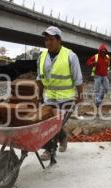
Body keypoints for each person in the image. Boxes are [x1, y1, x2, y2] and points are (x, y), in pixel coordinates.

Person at [36, 26, 83, 161]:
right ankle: (63, 137)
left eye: (51, 39)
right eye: (46, 40)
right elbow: (40, 78)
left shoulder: (70, 56)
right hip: (49, 97)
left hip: (67, 98)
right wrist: (39, 96)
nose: (48, 42)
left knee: (55, 124)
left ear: (59, 40)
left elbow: (78, 78)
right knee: (46, 122)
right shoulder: (42, 57)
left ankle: (50, 151)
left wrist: (80, 95)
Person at [87, 43, 111, 108]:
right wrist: (93, 63)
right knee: (97, 89)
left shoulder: (107, 57)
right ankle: (97, 101)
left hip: (105, 75)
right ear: (100, 51)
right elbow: (88, 62)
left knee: (106, 88)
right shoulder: (96, 56)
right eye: (102, 51)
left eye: (104, 52)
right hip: (97, 75)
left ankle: (100, 99)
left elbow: (110, 63)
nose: (103, 53)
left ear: (105, 52)